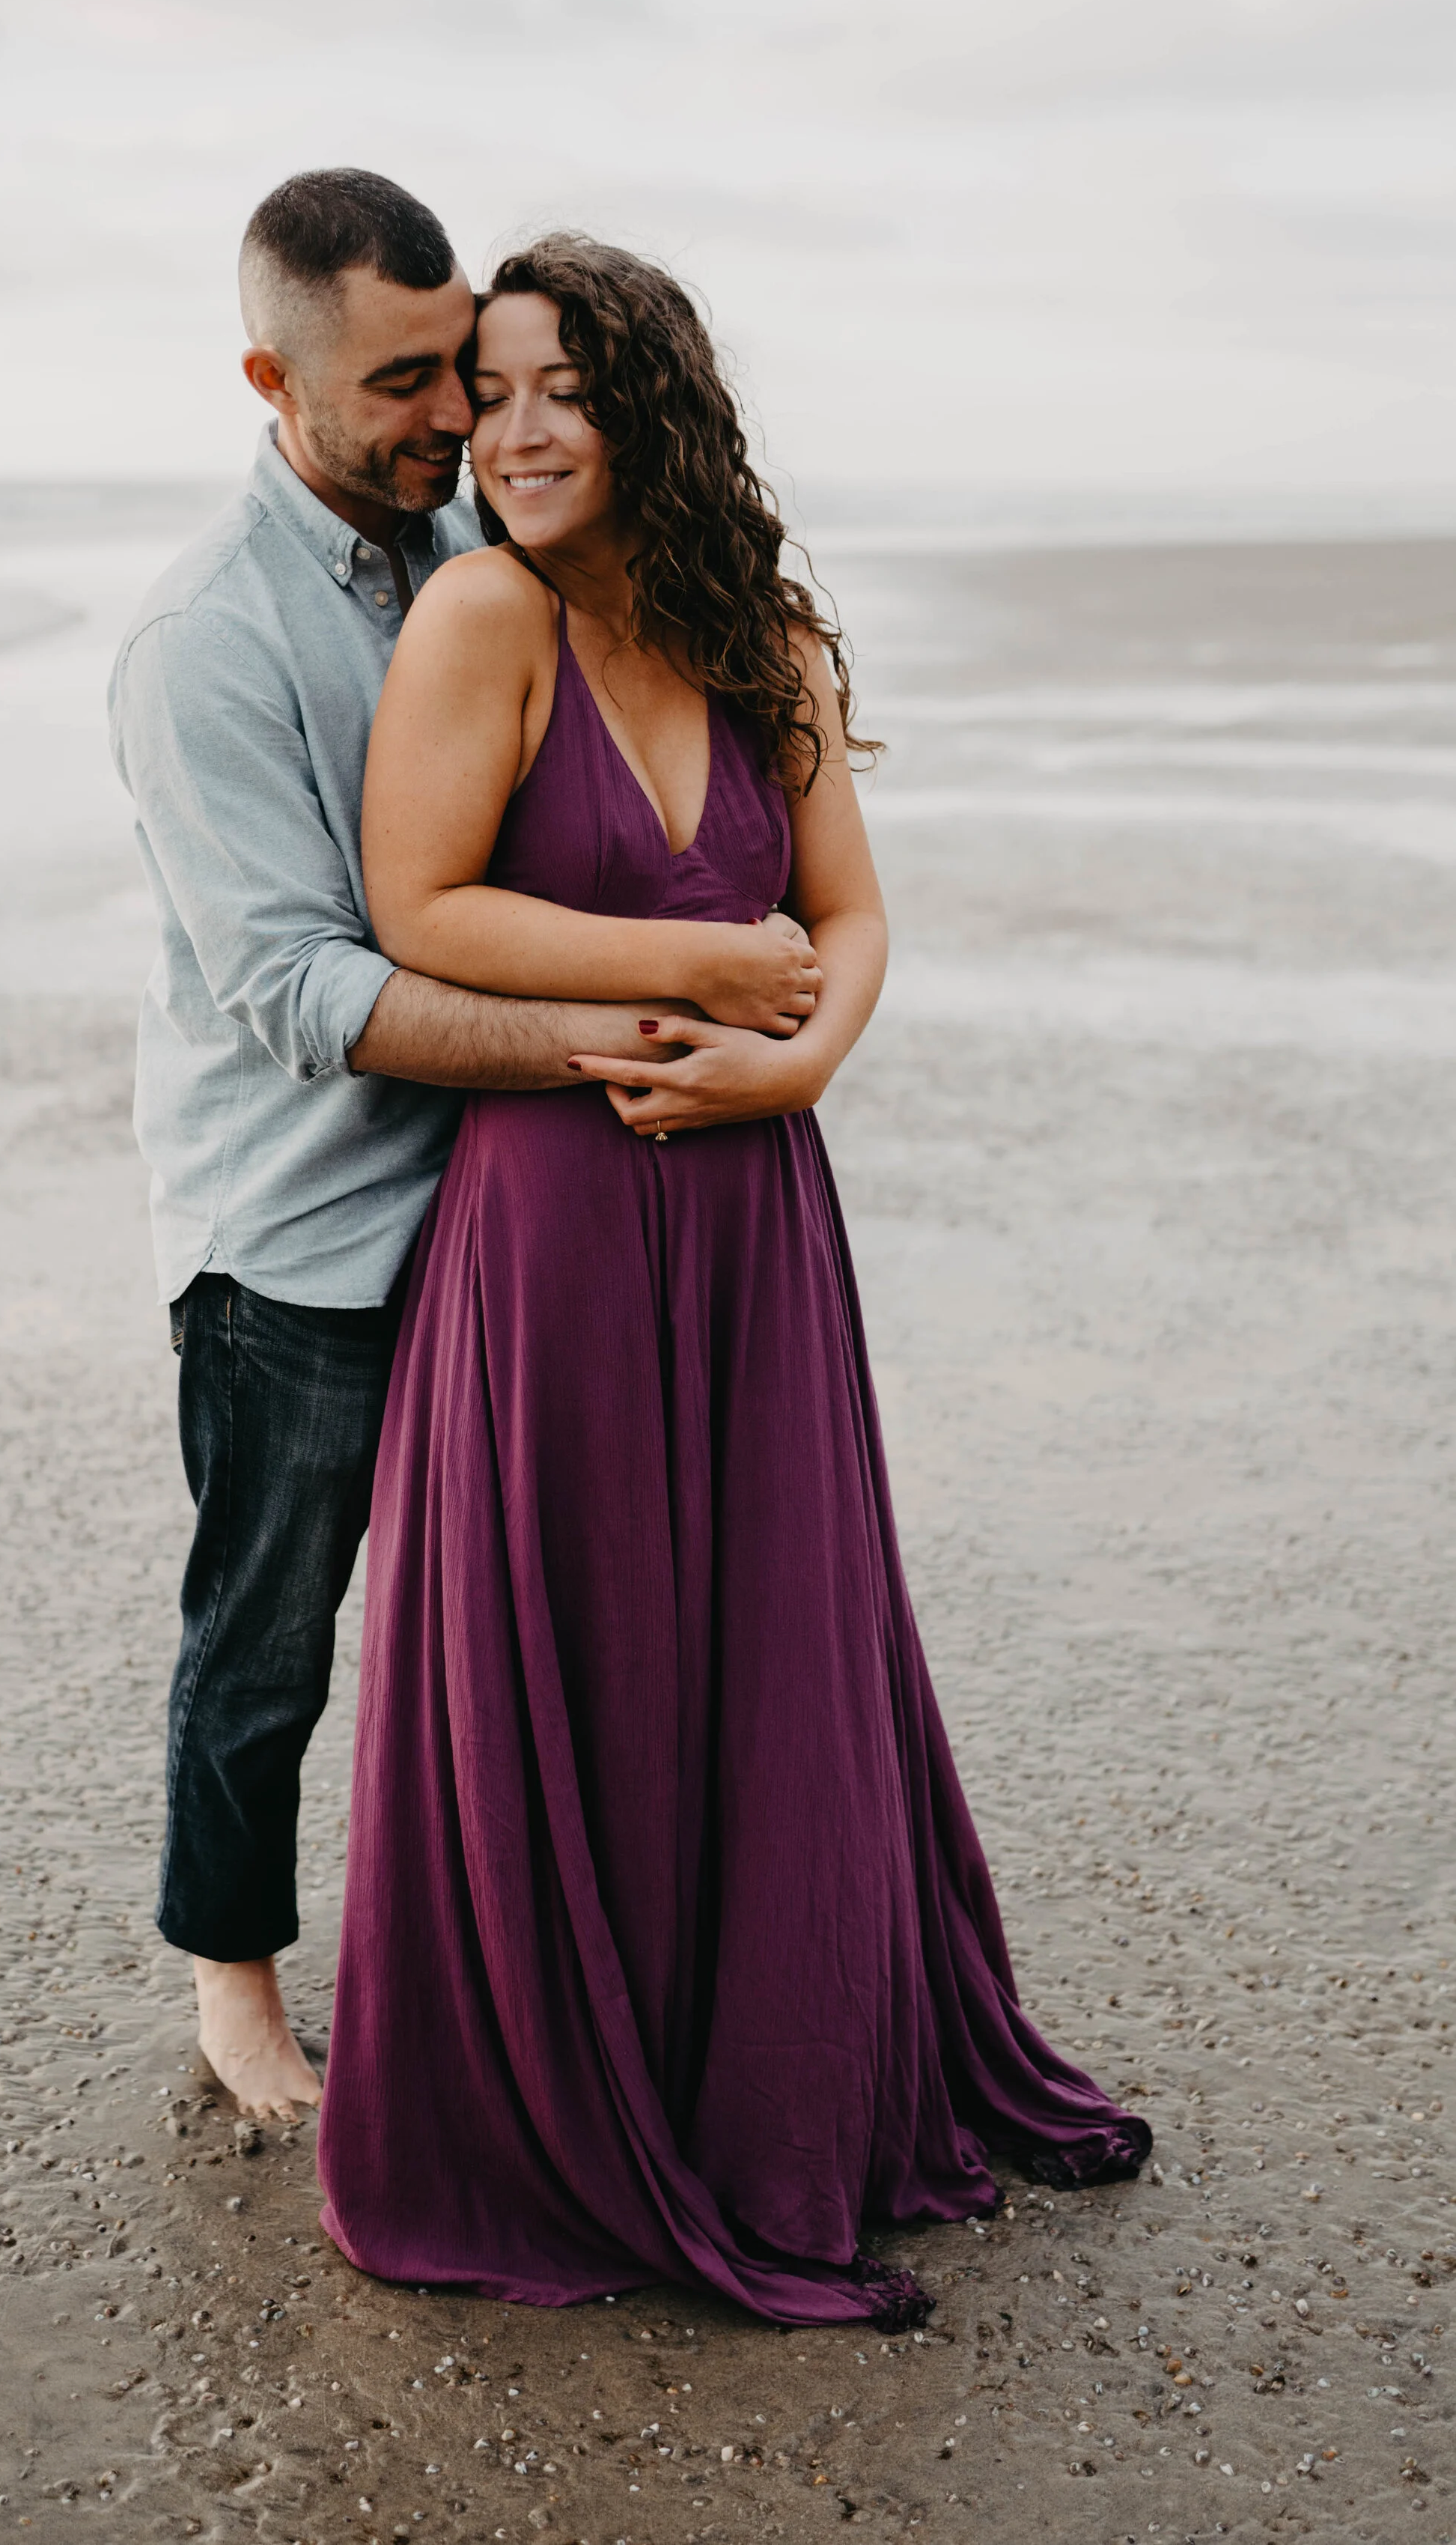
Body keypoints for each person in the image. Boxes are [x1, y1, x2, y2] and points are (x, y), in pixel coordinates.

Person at [317, 234, 1149, 2323]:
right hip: (553, 1226)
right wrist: (693, 959)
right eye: (482, 392)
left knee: (768, 1645)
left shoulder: (757, 627)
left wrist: (801, 1046)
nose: (505, 433)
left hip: (756, 1203)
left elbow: (850, 914)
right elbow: (415, 905)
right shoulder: (479, 616)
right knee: (585, 1649)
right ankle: (576, 2119)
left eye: (552, 389)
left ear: (646, 403)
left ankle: (772, 2091)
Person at [108, 172, 808, 2120]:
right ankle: (233, 1985)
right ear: (274, 373)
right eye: (407, 380)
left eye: (466, 367)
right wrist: (625, 1031)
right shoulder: (203, 643)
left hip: (509, 1225)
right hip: (302, 1234)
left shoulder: (475, 552)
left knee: (517, 1643)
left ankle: (537, 1971)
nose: (452, 418)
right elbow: (301, 993)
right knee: (267, 1629)